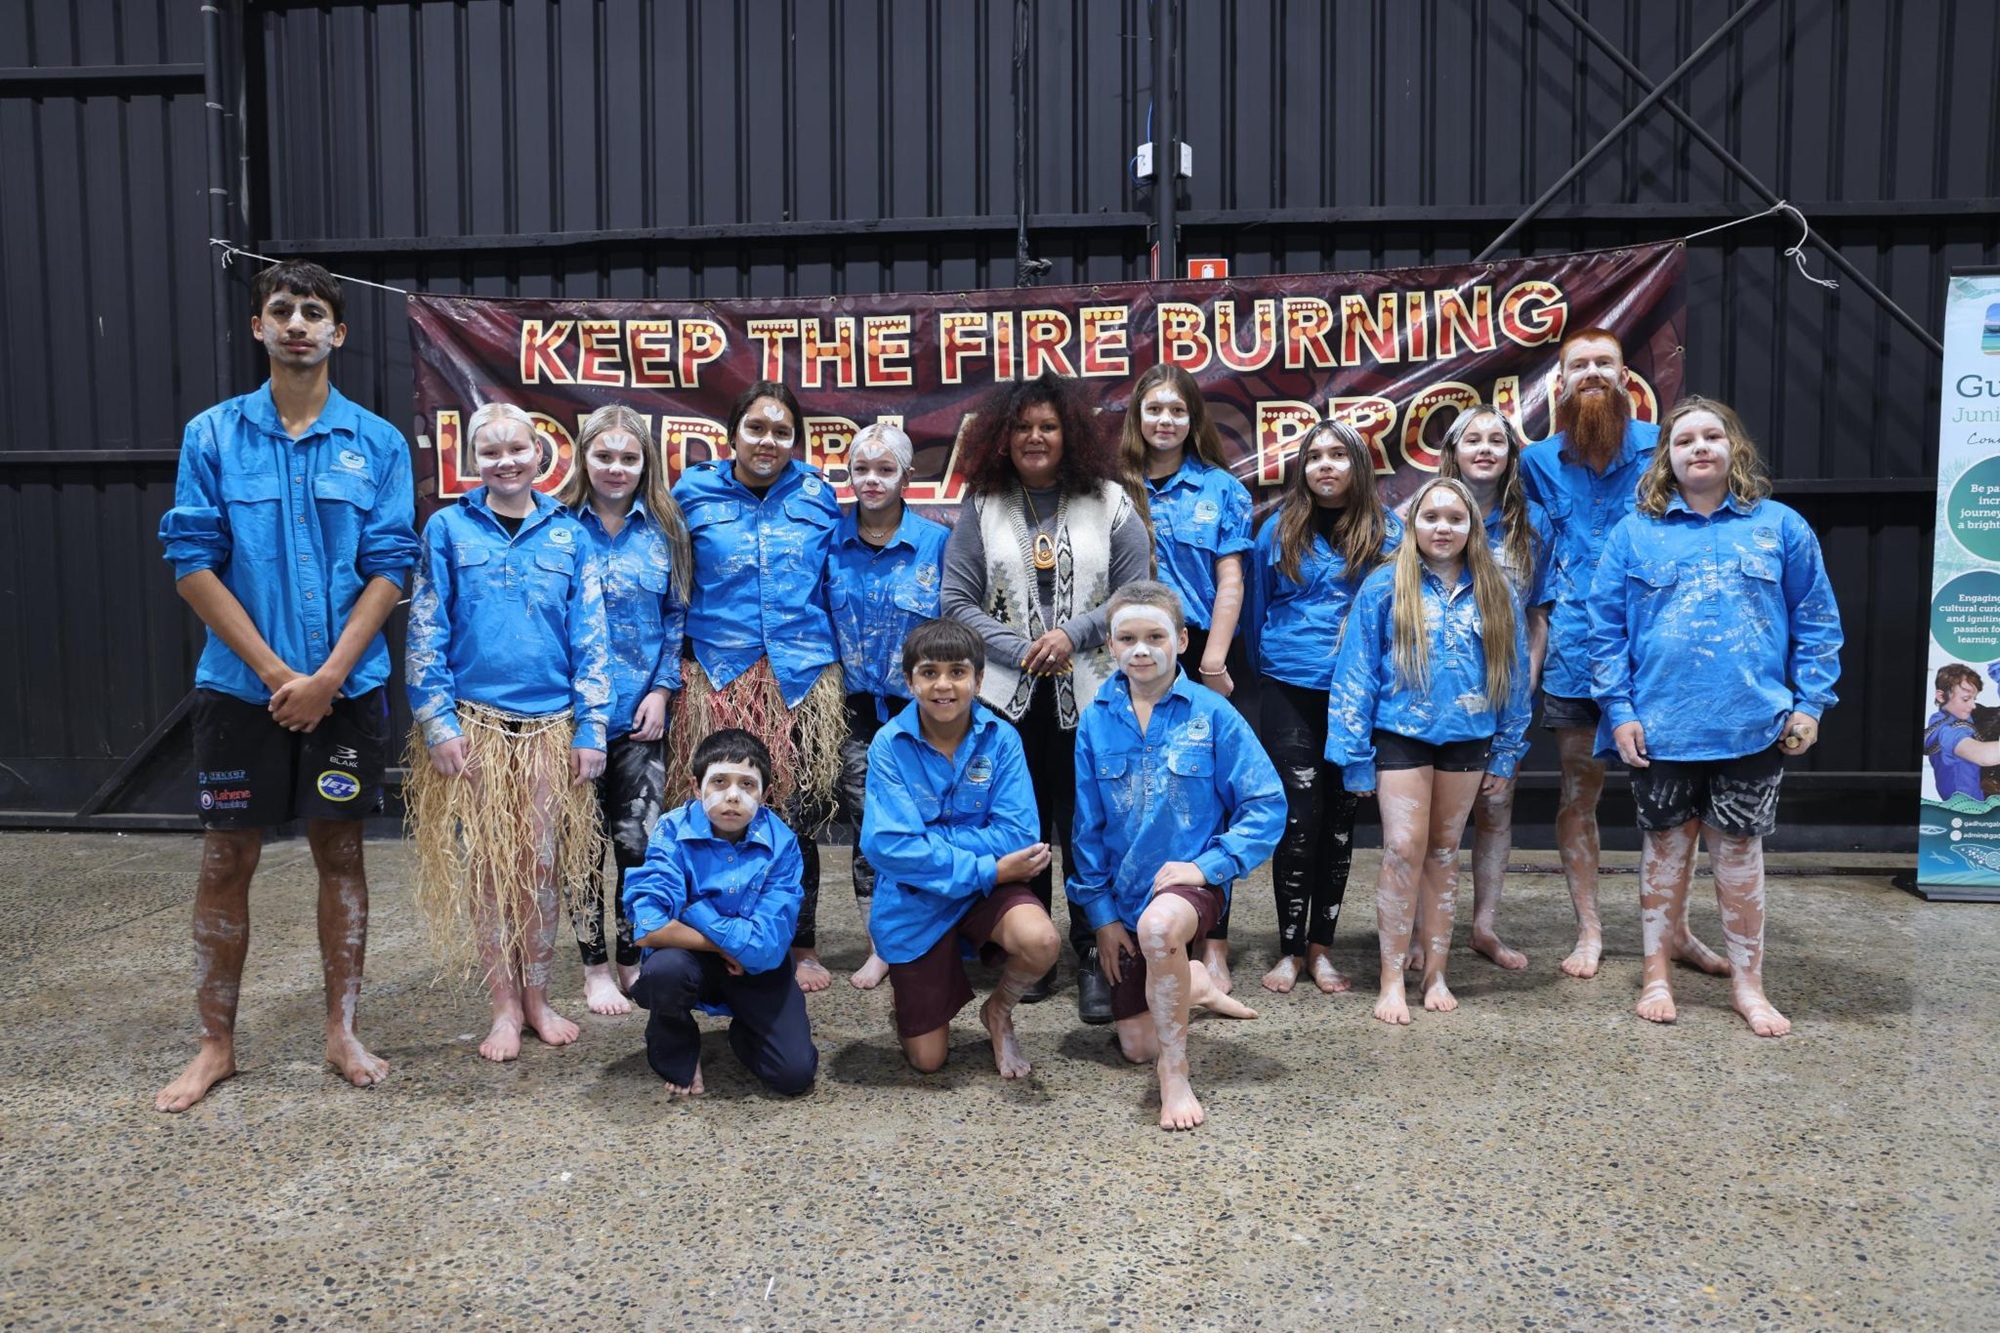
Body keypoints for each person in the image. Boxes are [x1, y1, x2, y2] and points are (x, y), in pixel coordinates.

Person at [154, 260, 419, 1112]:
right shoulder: (213, 436)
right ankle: (215, 1044)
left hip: (348, 689)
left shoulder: (376, 443)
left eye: (313, 312)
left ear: (339, 332)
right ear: (261, 328)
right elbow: (189, 560)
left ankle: (342, 1030)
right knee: (226, 855)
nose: (297, 323)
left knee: (340, 849)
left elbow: (390, 566)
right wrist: (278, 676)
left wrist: (331, 675)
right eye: (282, 310)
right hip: (241, 693)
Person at [1590, 397, 1842, 1037]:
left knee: (1739, 859)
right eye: (1684, 441)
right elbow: (1603, 634)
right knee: (1663, 858)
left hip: (1752, 725)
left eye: (1711, 436)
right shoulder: (1633, 534)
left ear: (1734, 448)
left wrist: (1810, 703)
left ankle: (1749, 985)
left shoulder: (1780, 527)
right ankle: (1656, 975)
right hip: (1662, 727)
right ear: (1666, 458)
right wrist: (1619, 711)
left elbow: (1817, 622)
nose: (1698, 448)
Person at [941, 370, 1151, 1021]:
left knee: (1092, 826)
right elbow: (954, 600)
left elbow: (1134, 592)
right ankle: (1034, 953)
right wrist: (1019, 647)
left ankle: (1098, 955)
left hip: (1095, 697)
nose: (1036, 436)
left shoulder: (1111, 501)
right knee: (1023, 829)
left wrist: (1074, 634)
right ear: (1005, 436)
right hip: (1008, 702)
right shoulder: (982, 505)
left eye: (1049, 426)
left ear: (1070, 434)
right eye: (1024, 426)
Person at [404, 401, 611, 1062]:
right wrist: (437, 723)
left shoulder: (567, 534)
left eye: (517, 448)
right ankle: (501, 1008)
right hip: (476, 726)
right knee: (492, 870)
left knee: (541, 865)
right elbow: (425, 632)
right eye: (490, 451)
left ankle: (539, 999)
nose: (506, 461)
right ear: (473, 460)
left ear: (539, 453)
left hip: (551, 726)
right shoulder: (447, 529)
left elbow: (592, 637)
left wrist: (593, 727)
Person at [1519, 327, 1722, 980]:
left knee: (1675, 803)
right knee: (1579, 795)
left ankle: (1678, 930)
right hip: (1575, 655)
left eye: (1605, 363)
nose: (1593, 373)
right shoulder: (1537, 462)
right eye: (1580, 365)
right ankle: (1590, 930)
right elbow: (1531, 562)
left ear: (1625, 375)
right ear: (1561, 382)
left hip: (1659, 658)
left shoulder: (1666, 446)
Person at [1069, 582, 1280, 1130]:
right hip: (1124, 896)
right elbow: (1086, 827)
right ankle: (1196, 983)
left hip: (1189, 886)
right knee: (1135, 1045)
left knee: (1162, 927)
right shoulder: (1094, 720)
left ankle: (1176, 1072)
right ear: (1110, 648)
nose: (1142, 649)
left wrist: (1208, 867)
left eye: (1155, 636)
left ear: (1182, 640)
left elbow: (1266, 805)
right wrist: (1103, 918)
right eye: (1128, 638)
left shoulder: (1214, 715)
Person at [1325, 477, 1531, 1024]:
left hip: (1470, 735)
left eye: (1456, 519)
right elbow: (1355, 674)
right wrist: (1352, 756)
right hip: (1401, 732)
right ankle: (1392, 978)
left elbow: (1512, 675)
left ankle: (1436, 972)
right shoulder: (1384, 586)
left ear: (1473, 528)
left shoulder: (1497, 589)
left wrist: (1508, 750)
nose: (1443, 528)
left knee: (1443, 851)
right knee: (1401, 849)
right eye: (1431, 517)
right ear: (1412, 525)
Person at [667, 381, 846, 993]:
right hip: (717, 675)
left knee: (794, 817)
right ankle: (714, 935)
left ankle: (800, 943)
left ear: (795, 440)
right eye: (756, 428)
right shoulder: (691, 493)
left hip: (799, 680)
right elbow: (669, 588)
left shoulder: (820, 497)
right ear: (732, 434)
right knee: (716, 813)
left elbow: (833, 586)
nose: (768, 441)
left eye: (781, 431)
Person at [860, 619, 1061, 1076]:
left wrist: (928, 842)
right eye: (929, 673)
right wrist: (990, 869)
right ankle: (915, 999)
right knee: (928, 1062)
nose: (944, 685)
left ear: (979, 679)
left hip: (975, 892)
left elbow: (1019, 836)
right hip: (917, 900)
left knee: (1042, 940)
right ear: (909, 681)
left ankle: (999, 1011)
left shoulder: (1003, 738)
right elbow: (888, 847)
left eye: (957, 671)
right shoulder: (889, 745)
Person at [1246, 420, 1400, 995]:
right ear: (1301, 468)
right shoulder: (1276, 532)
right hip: (1289, 686)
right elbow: (1256, 612)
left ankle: (1322, 949)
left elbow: (1399, 621)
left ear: (1360, 466)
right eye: (1314, 456)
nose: (1326, 465)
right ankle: (1288, 950)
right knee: (1298, 820)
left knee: (1340, 824)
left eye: (1339, 455)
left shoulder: (1392, 534)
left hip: (1360, 696)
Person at [1118, 364, 1256, 992]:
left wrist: (1213, 663)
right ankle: (1135, 930)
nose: (1165, 421)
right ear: (1137, 418)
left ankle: (1214, 941)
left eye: (1177, 409)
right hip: (1129, 656)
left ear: (1193, 418)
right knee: (1141, 797)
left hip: (1202, 654)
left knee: (1211, 799)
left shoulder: (1221, 488)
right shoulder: (1115, 487)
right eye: (1153, 409)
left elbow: (1230, 581)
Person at [556, 405, 690, 1015]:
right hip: (571, 717)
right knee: (581, 847)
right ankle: (594, 968)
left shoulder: (666, 530)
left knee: (638, 843)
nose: (616, 468)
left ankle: (633, 957)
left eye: (628, 458)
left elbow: (675, 617)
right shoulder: (556, 526)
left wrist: (662, 690)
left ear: (647, 464)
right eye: (604, 456)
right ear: (584, 459)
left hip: (641, 715)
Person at [623, 729, 819, 1096]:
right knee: (665, 970)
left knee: (794, 1076)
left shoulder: (782, 843)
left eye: (747, 784)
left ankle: (747, 1030)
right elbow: (647, 927)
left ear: (765, 794)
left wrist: (694, 912)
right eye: (719, 782)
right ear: (696, 788)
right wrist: (721, 945)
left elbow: (766, 948)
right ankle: (673, 1036)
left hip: (756, 966)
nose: (732, 796)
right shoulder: (670, 829)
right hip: (693, 959)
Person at [826, 422, 952, 990]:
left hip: (924, 712)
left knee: (930, 821)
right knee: (871, 828)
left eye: (884, 470)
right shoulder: (827, 539)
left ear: (908, 475)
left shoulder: (936, 543)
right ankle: (880, 944)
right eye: (860, 470)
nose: (871, 481)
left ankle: (934, 936)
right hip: (852, 711)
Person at [1433, 406, 1552, 971]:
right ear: (1452, 451)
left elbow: (1537, 615)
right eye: (1473, 439)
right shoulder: (1424, 517)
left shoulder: (1532, 528)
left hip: (1501, 694)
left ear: (1510, 455)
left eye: (1496, 441)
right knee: (1435, 824)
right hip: (1432, 696)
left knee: (1496, 807)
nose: (1485, 449)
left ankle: (1483, 928)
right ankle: (1423, 933)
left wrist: (1524, 685)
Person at [1925, 664, 2000, 801]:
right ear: (1941, 696)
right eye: (1966, 699)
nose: (1973, 705)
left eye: (1974, 699)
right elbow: (1983, 755)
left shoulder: (1963, 714)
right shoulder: (1947, 730)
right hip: (1967, 811)